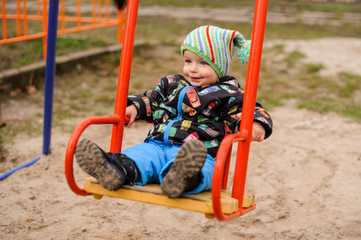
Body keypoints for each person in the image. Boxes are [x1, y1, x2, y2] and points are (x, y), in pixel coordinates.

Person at [75, 25, 273, 198]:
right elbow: (152, 101)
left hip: (199, 151)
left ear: (219, 67)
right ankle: (112, 169)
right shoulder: (172, 84)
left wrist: (256, 122)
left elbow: (248, 109)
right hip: (156, 145)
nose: (193, 69)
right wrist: (135, 107)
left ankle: (181, 178)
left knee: (203, 169)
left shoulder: (227, 93)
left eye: (203, 63)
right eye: (188, 61)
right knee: (138, 157)